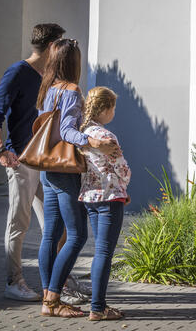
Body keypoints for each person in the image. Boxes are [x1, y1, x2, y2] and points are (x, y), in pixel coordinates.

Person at [36, 39, 119, 318]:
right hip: (64, 171)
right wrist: (93, 142)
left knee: (50, 235)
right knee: (77, 235)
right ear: (73, 62)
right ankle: (53, 301)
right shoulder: (71, 90)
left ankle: (48, 300)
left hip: (47, 168)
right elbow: (67, 131)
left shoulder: (48, 89)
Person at [0, 23, 65, 301]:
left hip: (47, 161)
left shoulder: (52, 75)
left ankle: (59, 284)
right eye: (62, 44)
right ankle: (14, 282)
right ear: (52, 46)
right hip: (21, 160)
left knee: (57, 225)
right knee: (19, 222)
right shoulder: (18, 72)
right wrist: (1, 150)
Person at [79, 86, 130, 321]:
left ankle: (97, 305)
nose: (114, 112)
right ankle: (98, 308)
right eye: (114, 107)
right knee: (104, 253)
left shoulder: (83, 135)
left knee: (99, 251)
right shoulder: (107, 136)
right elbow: (122, 168)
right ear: (106, 108)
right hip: (111, 199)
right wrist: (126, 182)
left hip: (90, 197)